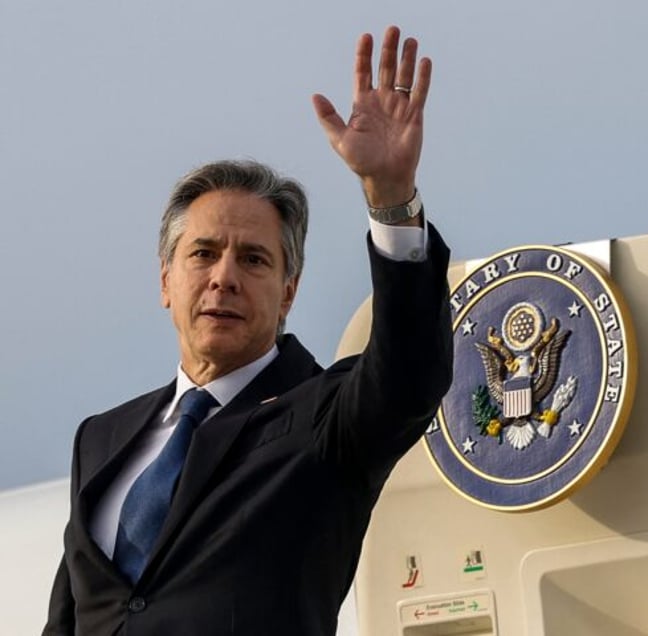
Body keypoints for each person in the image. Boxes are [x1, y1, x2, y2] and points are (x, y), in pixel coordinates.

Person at [44, 25, 452, 635]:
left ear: (288, 290)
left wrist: (390, 199)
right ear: (166, 282)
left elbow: (410, 374)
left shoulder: (323, 419)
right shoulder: (101, 441)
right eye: (203, 254)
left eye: (254, 260)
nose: (224, 277)